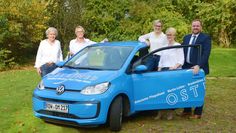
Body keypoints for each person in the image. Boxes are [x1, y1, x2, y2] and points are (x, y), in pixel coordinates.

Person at [181, 19, 211, 119]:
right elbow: (181, 52)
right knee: (186, 88)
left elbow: (206, 54)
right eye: (194, 26)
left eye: (197, 26)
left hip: (198, 68)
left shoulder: (205, 37)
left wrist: (199, 65)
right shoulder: (186, 37)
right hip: (186, 67)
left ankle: (198, 113)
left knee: (198, 90)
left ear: (201, 27)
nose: (195, 27)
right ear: (191, 26)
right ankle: (187, 110)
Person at [155, 27, 184, 120]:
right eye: (167, 35)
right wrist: (159, 69)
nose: (169, 36)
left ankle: (170, 113)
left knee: (172, 92)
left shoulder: (178, 45)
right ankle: (160, 112)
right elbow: (161, 59)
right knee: (161, 91)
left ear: (174, 35)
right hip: (163, 70)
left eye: (171, 34)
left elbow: (181, 60)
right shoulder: (164, 46)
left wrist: (175, 67)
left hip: (173, 71)